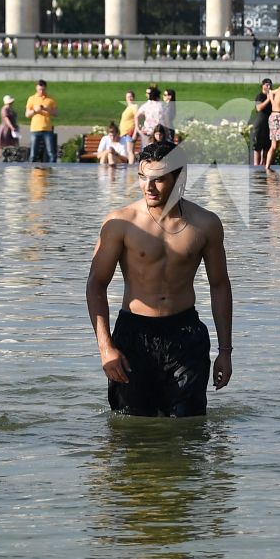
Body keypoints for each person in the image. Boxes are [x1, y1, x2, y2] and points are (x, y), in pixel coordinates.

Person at [85, 140, 234, 417]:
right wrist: (106, 348)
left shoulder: (205, 224)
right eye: (143, 177)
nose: (148, 187)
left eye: (159, 179)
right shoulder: (121, 222)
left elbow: (219, 285)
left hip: (185, 334)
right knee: (133, 428)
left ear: (180, 178)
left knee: (189, 426)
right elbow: (96, 283)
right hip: (134, 335)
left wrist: (225, 350)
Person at [26, 79, 58, 162]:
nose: (41, 91)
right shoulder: (32, 98)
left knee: (51, 153)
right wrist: (35, 111)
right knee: (33, 153)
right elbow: (27, 114)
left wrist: (46, 109)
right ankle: (32, 171)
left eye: (43, 89)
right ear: (36, 88)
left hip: (47, 129)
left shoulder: (50, 99)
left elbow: (55, 113)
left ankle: (51, 170)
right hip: (35, 129)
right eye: (40, 89)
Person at [249, 78, 275, 168]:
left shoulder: (273, 96)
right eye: (267, 84)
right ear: (262, 86)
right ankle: (256, 167)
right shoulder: (260, 96)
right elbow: (259, 108)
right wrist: (268, 99)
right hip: (259, 125)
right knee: (258, 147)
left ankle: (264, 166)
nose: (269, 86)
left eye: (270, 85)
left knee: (267, 147)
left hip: (269, 125)